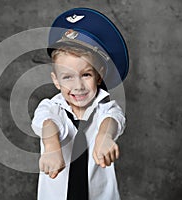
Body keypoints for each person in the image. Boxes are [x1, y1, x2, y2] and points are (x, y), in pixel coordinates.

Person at [31, 8, 129, 200]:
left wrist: (104, 136)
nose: (78, 86)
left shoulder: (105, 108)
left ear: (99, 76)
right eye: (67, 77)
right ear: (56, 80)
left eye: (86, 75)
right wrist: (51, 147)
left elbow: (112, 119)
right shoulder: (50, 107)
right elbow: (47, 122)